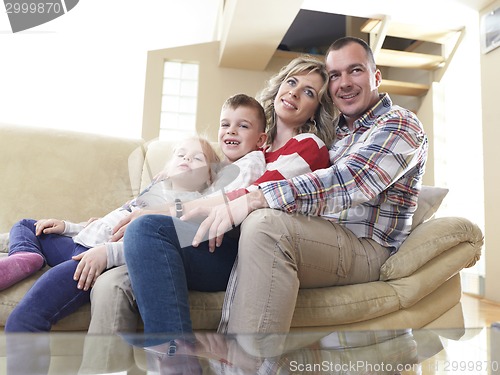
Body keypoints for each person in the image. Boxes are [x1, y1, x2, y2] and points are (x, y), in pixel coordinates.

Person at [184, 36, 429, 357]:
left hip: (367, 246)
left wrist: (254, 197)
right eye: (336, 76)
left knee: (266, 224)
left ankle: (247, 360)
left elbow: (351, 181)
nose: (344, 83)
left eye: (355, 71)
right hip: (318, 235)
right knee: (255, 224)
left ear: (376, 76)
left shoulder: (399, 123)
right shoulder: (334, 133)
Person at [115, 55, 336, 368]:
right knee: (143, 233)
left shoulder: (309, 146)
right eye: (291, 81)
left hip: (245, 250)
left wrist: (166, 211)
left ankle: (176, 364)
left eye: (309, 92)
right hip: (212, 238)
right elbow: (209, 191)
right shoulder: (252, 146)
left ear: (316, 109)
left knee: (146, 228)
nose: (295, 92)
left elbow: (253, 194)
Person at [2, 135, 221, 333]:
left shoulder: (192, 206)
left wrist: (108, 254)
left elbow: (154, 250)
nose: (186, 159)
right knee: (27, 225)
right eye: (181, 154)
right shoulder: (153, 192)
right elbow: (107, 224)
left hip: (93, 261)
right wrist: (68, 227)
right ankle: (25, 257)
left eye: (197, 159)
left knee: (24, 321)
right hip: (79, 242)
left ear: (209, 177)